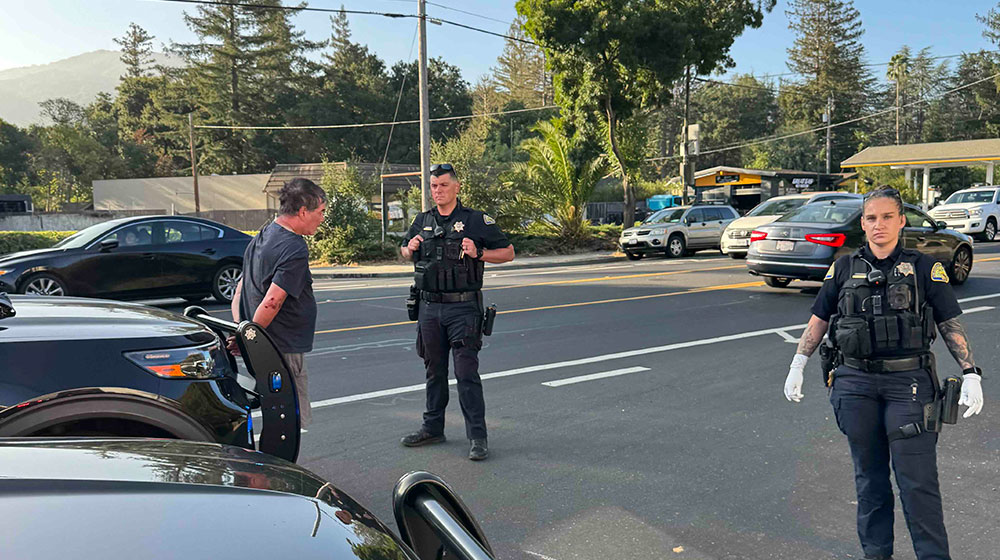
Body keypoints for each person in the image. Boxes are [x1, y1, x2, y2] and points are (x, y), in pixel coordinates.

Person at [783, 187, 985, 560]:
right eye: (871, 218)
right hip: (854, 383)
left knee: (918, 484)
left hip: (908, 385)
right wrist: (799, 362)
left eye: (887, 217)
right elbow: (819, 319)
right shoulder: (843, 266)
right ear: (863, 223)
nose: (879, 225)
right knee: (870, 482)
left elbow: (948, 322)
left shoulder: (925, 267)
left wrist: (970, 371)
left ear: (901, 220)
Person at [399, 163, 515, 461]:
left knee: (466, 373)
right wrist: (409, 248)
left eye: (443, 185)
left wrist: (480, 253)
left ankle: (478, 436)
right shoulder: (422, 220)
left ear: (457, 187)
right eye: (434, 186)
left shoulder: (475, 220)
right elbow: (404, 250)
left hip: (463, 308)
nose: (438, 191)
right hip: (429, 307)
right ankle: (432, 428)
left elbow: (508, 252)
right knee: (433, 371)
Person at [230, 177, 326, 428]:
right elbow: (273, 301)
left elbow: (240, 291)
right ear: (303, 211)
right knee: (288, 421)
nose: (323, 218)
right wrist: (249, 337)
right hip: (282, 347)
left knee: (275, 413)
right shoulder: (293, 247)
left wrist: (243, 329)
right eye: (321, 211)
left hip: (264, 345)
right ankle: (281, 466)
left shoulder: (262, 235)